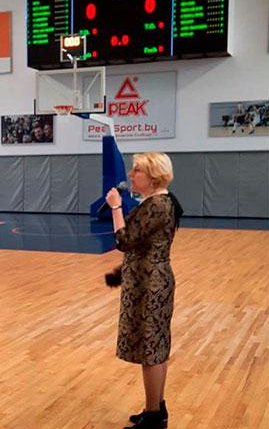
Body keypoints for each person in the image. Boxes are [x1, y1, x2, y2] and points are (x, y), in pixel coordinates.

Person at [105, 152, 181, 429]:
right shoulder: (160, 202)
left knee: (151, 350)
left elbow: (124, 241)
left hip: (150, 285)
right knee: (155, 347)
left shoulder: (156, 205)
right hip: (149, 279)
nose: (131, 174)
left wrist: (115, 208)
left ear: (154, 176)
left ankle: (153, 416)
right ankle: (156, 409)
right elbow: (142, 244)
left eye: (137, 170)